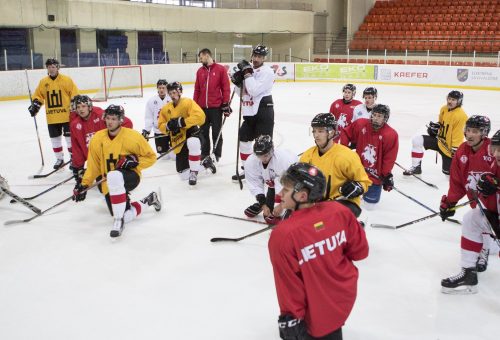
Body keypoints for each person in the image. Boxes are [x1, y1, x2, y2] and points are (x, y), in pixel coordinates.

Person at [268, 162, 369, 340]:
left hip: (315, 314)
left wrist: (291, 319)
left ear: (302, 195)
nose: (280, 194)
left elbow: (289, 287)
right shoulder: (340, 211)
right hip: (343, 300)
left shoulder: (283, 236)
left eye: (285, 189)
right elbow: (360, 252)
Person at [72, 105, 160, 238]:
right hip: (109, 184)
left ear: (120, 120)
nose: (110, 122)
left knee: (114, 175)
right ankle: (149, 199)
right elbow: (93, 165)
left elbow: (151, 157)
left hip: (130, 177)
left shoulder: (133, 137)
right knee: (125, 214)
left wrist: (135, 161)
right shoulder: (97, 138)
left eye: (113, 119)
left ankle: (118, 222)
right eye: (107, 118)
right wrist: (84, 184)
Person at [439, 118, 498, 294]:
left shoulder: (493, 150)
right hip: (478, 203)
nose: (470, 134)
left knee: (483, 225)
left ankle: (486, 249)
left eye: (476, 131)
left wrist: (494, 183)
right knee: (473, 221)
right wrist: (449, 202)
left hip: (494, 205)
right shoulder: (462, 151)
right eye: (469, 130)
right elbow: (457, 181)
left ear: (484, 133)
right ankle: (470, 269)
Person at [299, 113, 371, 217]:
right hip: (318, 203)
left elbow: (364, 181)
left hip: (344, 202)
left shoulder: (347, 156)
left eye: (320, 131)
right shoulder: (308, 155)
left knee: (326, 218)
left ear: (331, 133)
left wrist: (358, 187)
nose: (316, 135)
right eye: (314, 131)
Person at [230, 44, 275, 181]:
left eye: (259, 56)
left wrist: (247, 74)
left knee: (264, 145)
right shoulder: (247, 70)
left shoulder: (267, 72)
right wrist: (237, 84)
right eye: (254, 55)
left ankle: (267, 173)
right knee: (243, 139)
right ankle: (249, 170)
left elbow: (254, 90)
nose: (256, 59)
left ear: (264, 58)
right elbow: (242, 94)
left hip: (263, 110)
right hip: (249, 111)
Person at [340, 104, 399, 205]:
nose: (375, 118)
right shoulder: (361, 124)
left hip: (374, 177)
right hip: (356, 173)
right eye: (374, 115)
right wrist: (345, 149)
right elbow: (345, 132)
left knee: (370, 206)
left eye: (379, 116)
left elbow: (389, 158)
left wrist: (386, 175)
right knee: (348, 203)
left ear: (385, 118)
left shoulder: (390, 135)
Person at [29, 58, 79, 169]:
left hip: (67, 116)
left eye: (53, 67)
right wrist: (36, 105)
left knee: (69, 140)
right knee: (55, 140)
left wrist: (75, 106)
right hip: (52, 117)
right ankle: (59, 159)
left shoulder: (66, 80)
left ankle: (73, 159)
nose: (51, 69)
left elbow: (74, 95)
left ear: (57, 68)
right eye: (49, 67)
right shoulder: (43, 82)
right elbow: (39, 95)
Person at [403, 90, 468, 176]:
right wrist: (435, 127)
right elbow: (441, 123)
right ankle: (416, 167)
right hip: (439, 141)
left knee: (448, 175)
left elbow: (458, 135)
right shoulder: (444, 108)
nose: (449, 101)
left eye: (453, 100)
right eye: (449, 98)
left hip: (449, 149)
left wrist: (455, 150)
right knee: (417, 140)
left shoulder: (461, 116)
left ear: (459, 101)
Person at [70, 97, 133, 183]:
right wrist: (78, 167)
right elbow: (77, 148)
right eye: (78, 107)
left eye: (83, 106)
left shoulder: (100, 115)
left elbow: (127, 122)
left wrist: (117, 141)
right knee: (101, 185)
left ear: (89, 107)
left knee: (115, 182)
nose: (81, 109)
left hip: (110, 158)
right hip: (95, 161)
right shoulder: (75, 124)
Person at [158, 81, 208, 186]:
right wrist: (168, 126)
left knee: (193, 142)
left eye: (174, 92)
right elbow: (160, 125)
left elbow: (201, 117)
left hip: (192, 133)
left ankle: (194, 173)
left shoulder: (188, 102)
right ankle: (205, 164)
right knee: (183, 175)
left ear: (180, 91)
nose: (172, 95)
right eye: (170, 93)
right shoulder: (166, 108)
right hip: (178, 139)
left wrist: (183, 122)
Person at [244, 135, 298, 223]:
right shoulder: (251, 161)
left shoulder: (284, 160)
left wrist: (281, 206)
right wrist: (263, 204)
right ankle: (265, 204)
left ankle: (290, 207)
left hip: (294, 185)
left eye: (266, 155)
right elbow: (254, 183)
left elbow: (291, 186)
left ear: (272, 151)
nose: (263, 159)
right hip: (273, 184)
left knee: (277, 213)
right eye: (259, 155)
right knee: (269, 216)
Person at [194, 48, 231, 165]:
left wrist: (226, 103)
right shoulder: (200, 71)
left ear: (206, 55)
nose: (200, 60)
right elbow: (197, 89)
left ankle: (216, 154)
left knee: (216, 132)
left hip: (216, 108)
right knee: (203, 132)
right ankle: (204, 153)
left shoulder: (220, 69)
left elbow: (226, 88)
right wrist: (194, 106)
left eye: (201, 57)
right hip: (202, 108)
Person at [142, 79, 172, 157]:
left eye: (163, 87)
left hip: (172, 130)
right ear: (157, 88)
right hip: (159, 131)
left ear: (167, 88)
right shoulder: (151, 101)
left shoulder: (171, 99)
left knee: (174, 155)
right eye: (159, 88)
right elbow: (149, 117)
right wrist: (147, 131)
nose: (161, 90)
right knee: (164, 156)